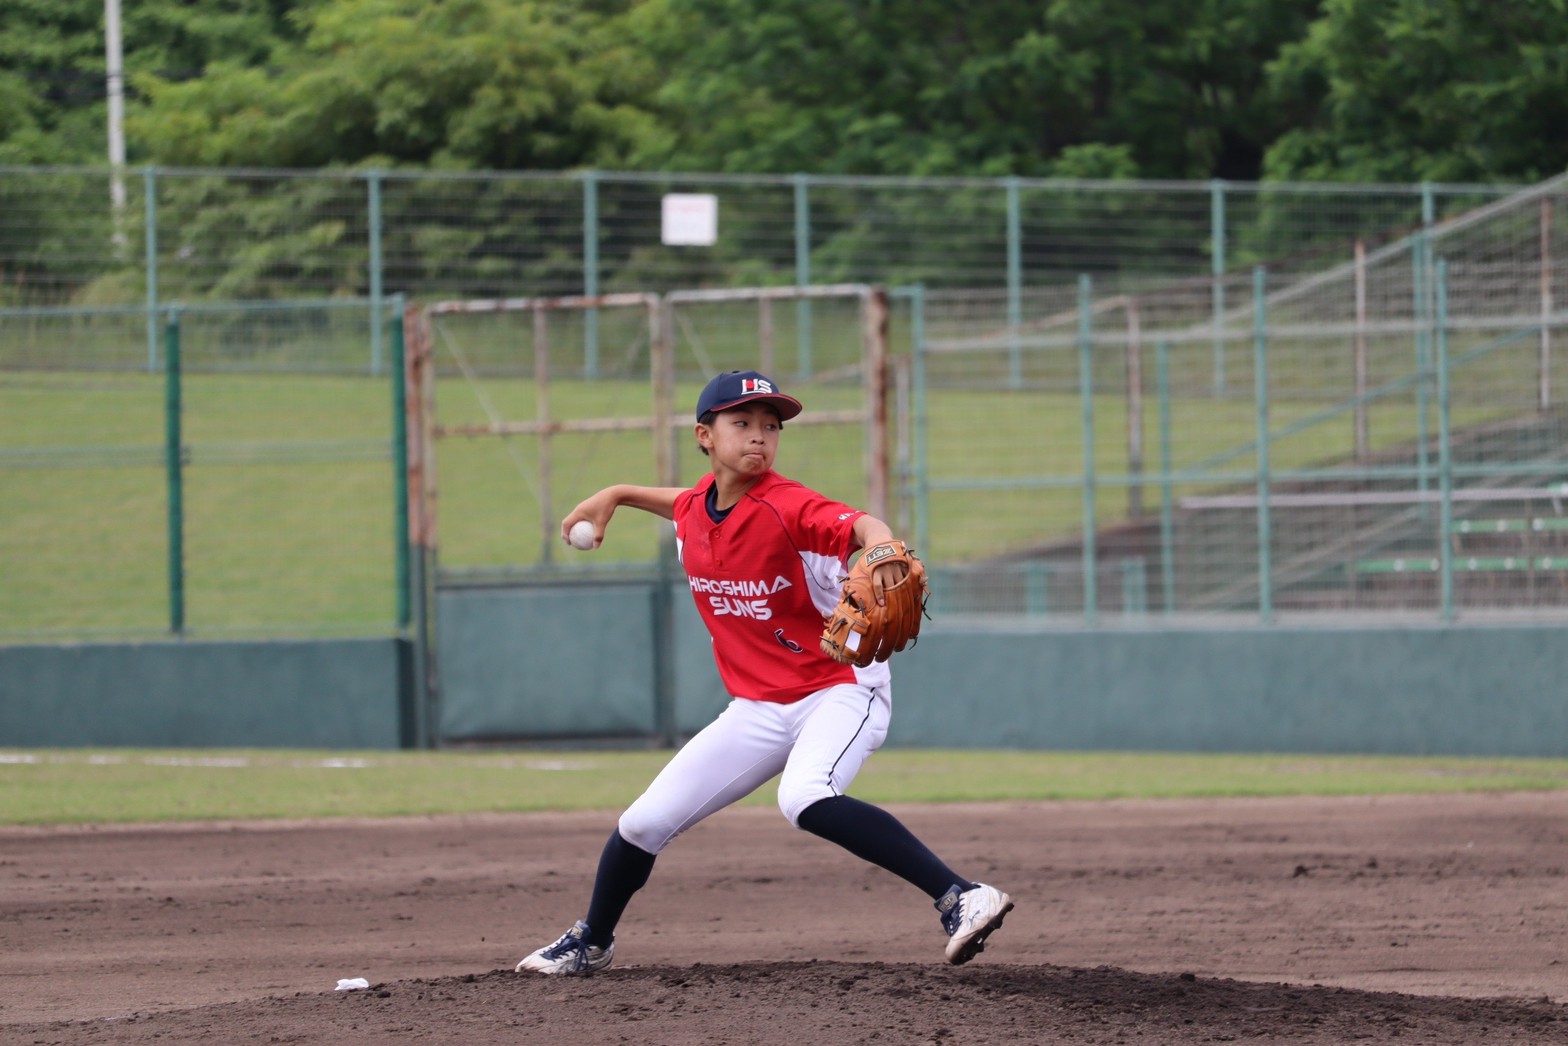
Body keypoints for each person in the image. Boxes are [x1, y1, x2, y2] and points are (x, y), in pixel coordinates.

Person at [516, 369, 1012, 975]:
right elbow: (681, 503)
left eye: (770, 427)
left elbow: (859, 526)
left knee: (804, 796)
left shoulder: (789, 505)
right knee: (642, 821)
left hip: (840, 689)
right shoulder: (697, 510)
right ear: (705, 435)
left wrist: (881, 548)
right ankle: (591, 941)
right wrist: (617, 493)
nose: (759, 437)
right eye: (742, 423)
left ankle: (961, 895)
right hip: (757, 706)